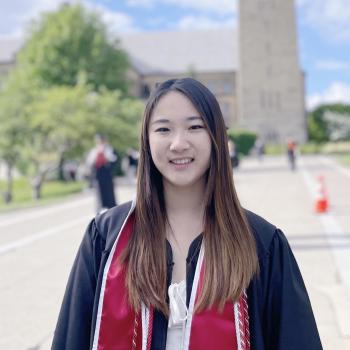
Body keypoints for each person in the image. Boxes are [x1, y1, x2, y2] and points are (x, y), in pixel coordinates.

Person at [52, 78, 322, 350]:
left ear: (216, 136)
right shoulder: (106, 238)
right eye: (163, 129)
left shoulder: (262, 244)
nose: (178, 143)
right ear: (146, 140)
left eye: (194, 127)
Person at [87, 134, 117, 212]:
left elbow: (114, 158)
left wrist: (106, 156)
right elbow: (90, 161)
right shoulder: (94, 150)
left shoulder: (109, 149)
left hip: (107, 174)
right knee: (99, 192)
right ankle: (100, 209)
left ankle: (112, 208)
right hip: (98, 175)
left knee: (109, 192)